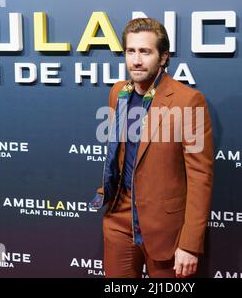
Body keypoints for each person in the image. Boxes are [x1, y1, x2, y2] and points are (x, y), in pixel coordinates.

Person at [89, 18, 214, 278]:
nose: (136, 60)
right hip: (119, 218)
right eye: (130, 51)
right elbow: (120, 153)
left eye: (145, 52)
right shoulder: (117, 93)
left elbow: (200, 176)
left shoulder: (188, 101)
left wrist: (189, 244)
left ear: (163, 57)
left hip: (165, 227)